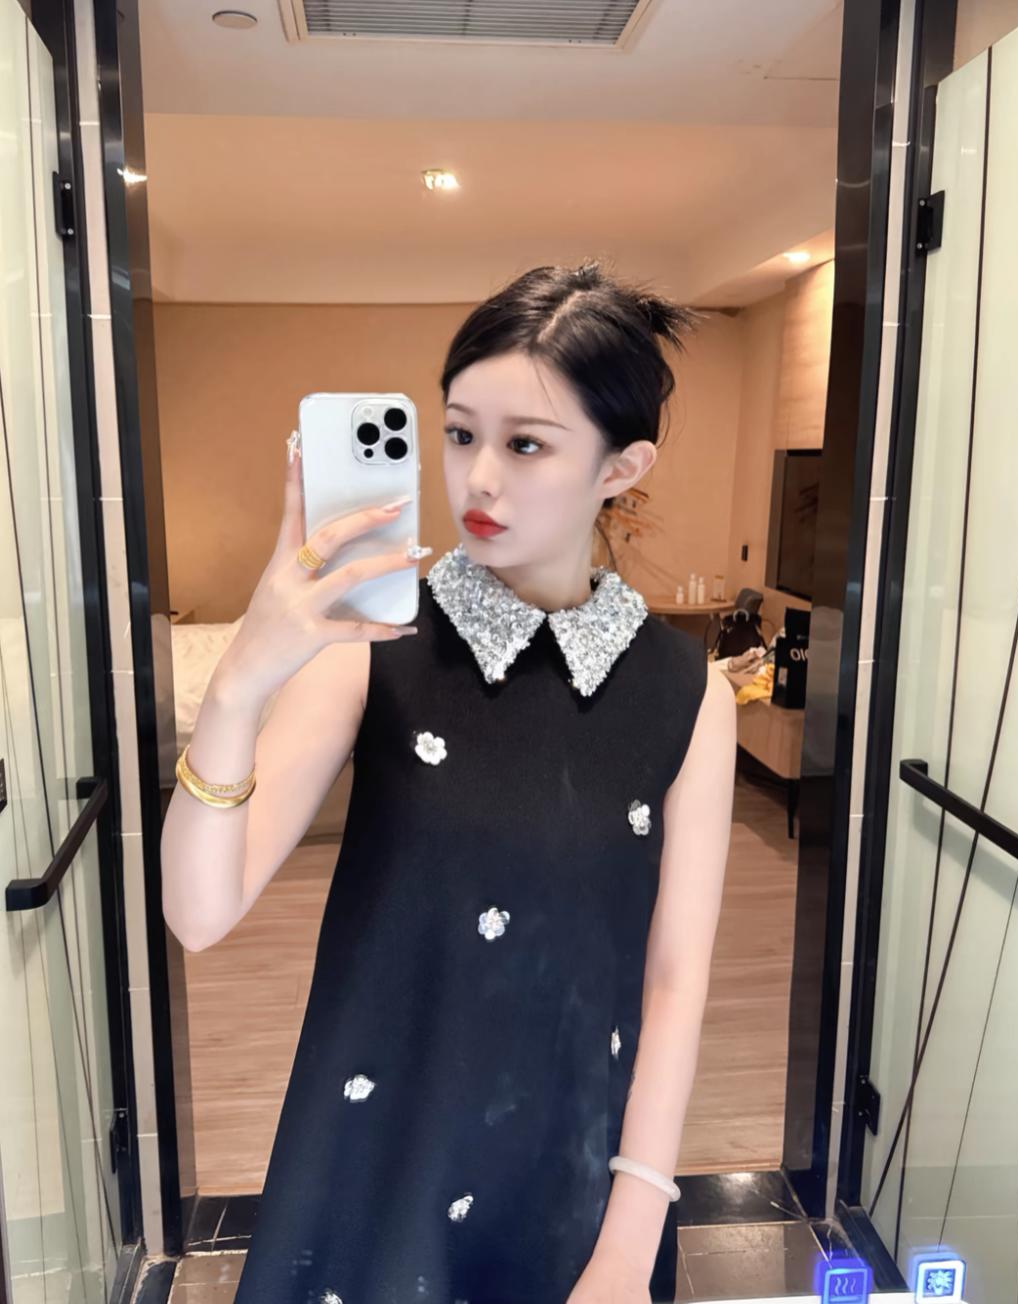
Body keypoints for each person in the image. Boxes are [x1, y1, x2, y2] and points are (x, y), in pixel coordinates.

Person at [161, 260, 736, 1304]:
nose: (477, 479)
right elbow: (199, 914)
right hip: (379, 1162)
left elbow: (674, 978)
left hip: (578, 1180)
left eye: (526, 444)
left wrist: (627, 1242)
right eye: (461, 433)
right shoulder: (370, 649)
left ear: (622, 465)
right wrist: (240, 682)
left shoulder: (687, 693)